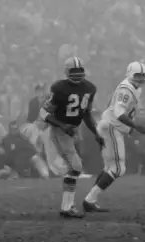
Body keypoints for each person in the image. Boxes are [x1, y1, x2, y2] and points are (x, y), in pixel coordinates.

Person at [83, 61, 145, 212]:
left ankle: (90, 200)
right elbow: (119, 113)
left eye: (142, 75)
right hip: (111, 127)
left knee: (109, 167)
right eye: (137, 75)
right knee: (118, 168)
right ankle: (89, 199)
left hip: (110, 126)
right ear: (130, 74)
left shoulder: (133, 88)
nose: (139, 78)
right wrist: (136, 127)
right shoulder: (126, 89)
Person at [42, 57, 104, 218]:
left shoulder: (90, 88)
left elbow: (86, 114)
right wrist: (63, 126)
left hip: (72, 129)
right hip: (59, 129)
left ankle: (67, 207)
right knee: (76, 167)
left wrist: (96, 133)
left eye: (79, 71)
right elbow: (44, 113)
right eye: (73, 71)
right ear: (66, 72)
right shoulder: (59, 88)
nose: (77, 74)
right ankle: (66, 207)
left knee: (74, 167)